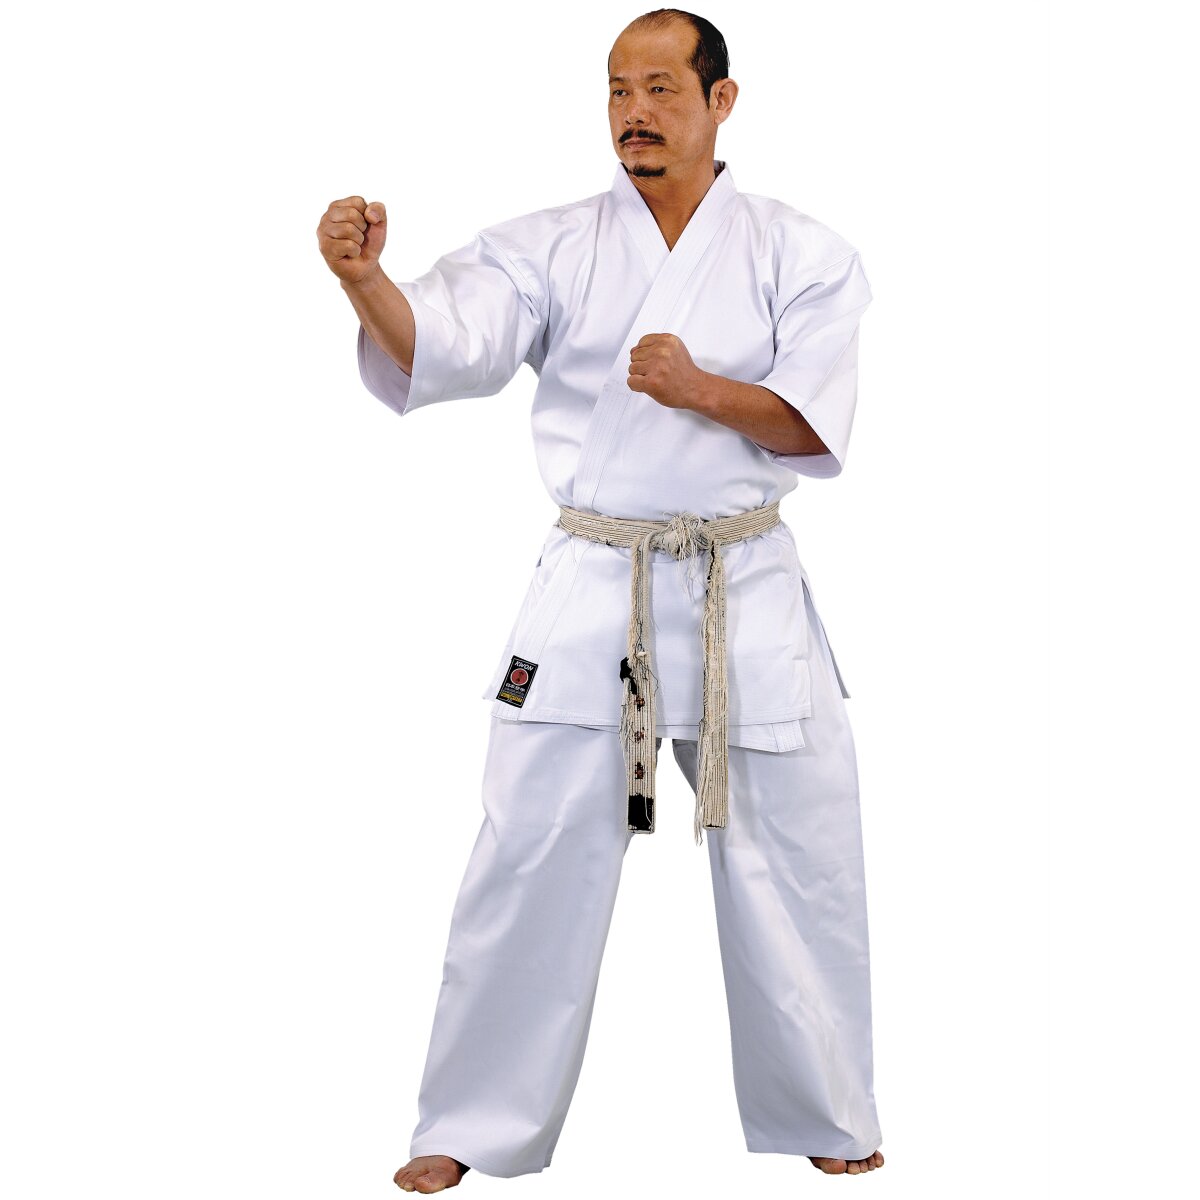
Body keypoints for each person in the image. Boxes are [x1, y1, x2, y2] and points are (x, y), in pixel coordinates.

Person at [316, 8, 885, 1191]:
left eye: (663, 88)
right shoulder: (550, 246)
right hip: (594, 580)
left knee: (801, 850)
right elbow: (446, 344)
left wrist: (701, 388)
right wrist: (366, 281)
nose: (636, 111)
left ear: (722, 101)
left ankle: (829, 1108)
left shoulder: (805, 252)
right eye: (619, 89)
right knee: (526, 851)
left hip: (743, 580)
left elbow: (813, 423)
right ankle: (467, 1124)